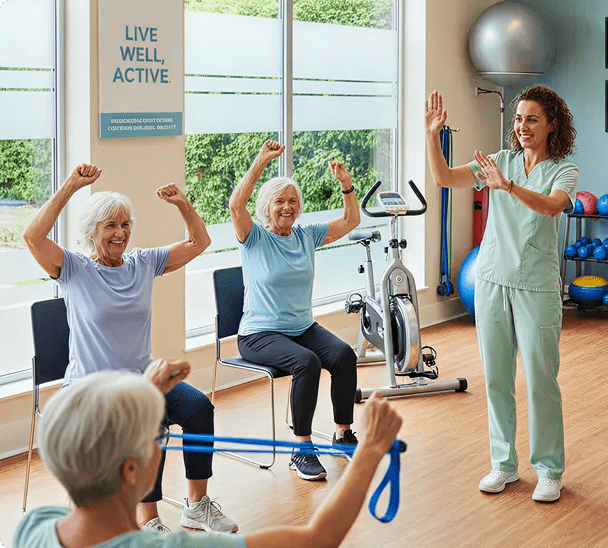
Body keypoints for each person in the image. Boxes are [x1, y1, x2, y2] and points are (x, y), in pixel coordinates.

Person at [22, 165, 237, 534]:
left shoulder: (142, 263)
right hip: (92, 388)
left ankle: (197, 505)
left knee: (199, 408)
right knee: (150, 420)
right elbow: (32, 236)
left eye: (125, 225)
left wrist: (183, 204)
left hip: (143, 377)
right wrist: (72, 185)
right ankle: (148, 518)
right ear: (92, 233)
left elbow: (199, 243)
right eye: (110, 226)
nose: (120, 233)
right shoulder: (73, 269)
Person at [13, 361, 403, 548]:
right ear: (130, 468)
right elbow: (318, 539)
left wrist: (143, 397)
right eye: (157, 434)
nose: (161, 441)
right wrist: (369, 450)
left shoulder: (35, 526)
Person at [424, 86, 578, 502]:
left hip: (536, 285)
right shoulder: (500, 161)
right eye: (518, 119)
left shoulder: (564, 170)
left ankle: (548, 469)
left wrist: (506, 187)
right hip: (492, 280)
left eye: (532, 119)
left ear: (551, 125)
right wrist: (431, 137)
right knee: (495, 377)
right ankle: (503, 464)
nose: (523, 126)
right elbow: (443, 178)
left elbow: (549, 207)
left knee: (541, 379)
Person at [229, 140, 360, 482]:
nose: (287, 207)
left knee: (344, 355)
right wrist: (260, 160)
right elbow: (234, 203)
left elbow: (350, 220)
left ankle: (343, 433)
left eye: (292, 201)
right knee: (307, 362)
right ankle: (301, 449)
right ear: (266, 207)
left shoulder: (305, 235)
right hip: (259, 333)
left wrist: (346, 185)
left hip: (301, 327)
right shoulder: (254, 237)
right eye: (279, 201)